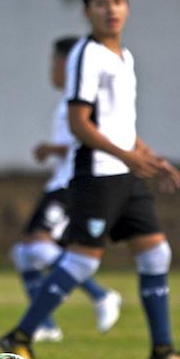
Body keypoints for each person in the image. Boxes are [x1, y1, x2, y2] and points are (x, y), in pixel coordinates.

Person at [0, 0, 180, 359]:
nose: (111, 9)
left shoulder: (124, 58)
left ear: (127, 7)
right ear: (87, 12)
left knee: (156, 253)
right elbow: (80, 123)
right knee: (82, 261)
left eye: (117, 1)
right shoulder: (87, 54)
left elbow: (122, 127)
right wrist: (128, 158)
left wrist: (150, 157)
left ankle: (162, 351)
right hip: (96, 174)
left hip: (125, 175)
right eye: (101, 3)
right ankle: (20, 336)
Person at [10, 36, 122, 343]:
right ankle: (45, 324)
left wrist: (52, 147)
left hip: (72, 184)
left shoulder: (85, 99)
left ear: (66, 63)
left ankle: (102, 296)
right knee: (24, 253)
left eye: (53, 62)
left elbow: (90, 136)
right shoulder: (67, 101)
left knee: (38, 245)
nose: (51, 70)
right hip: (59, 181)